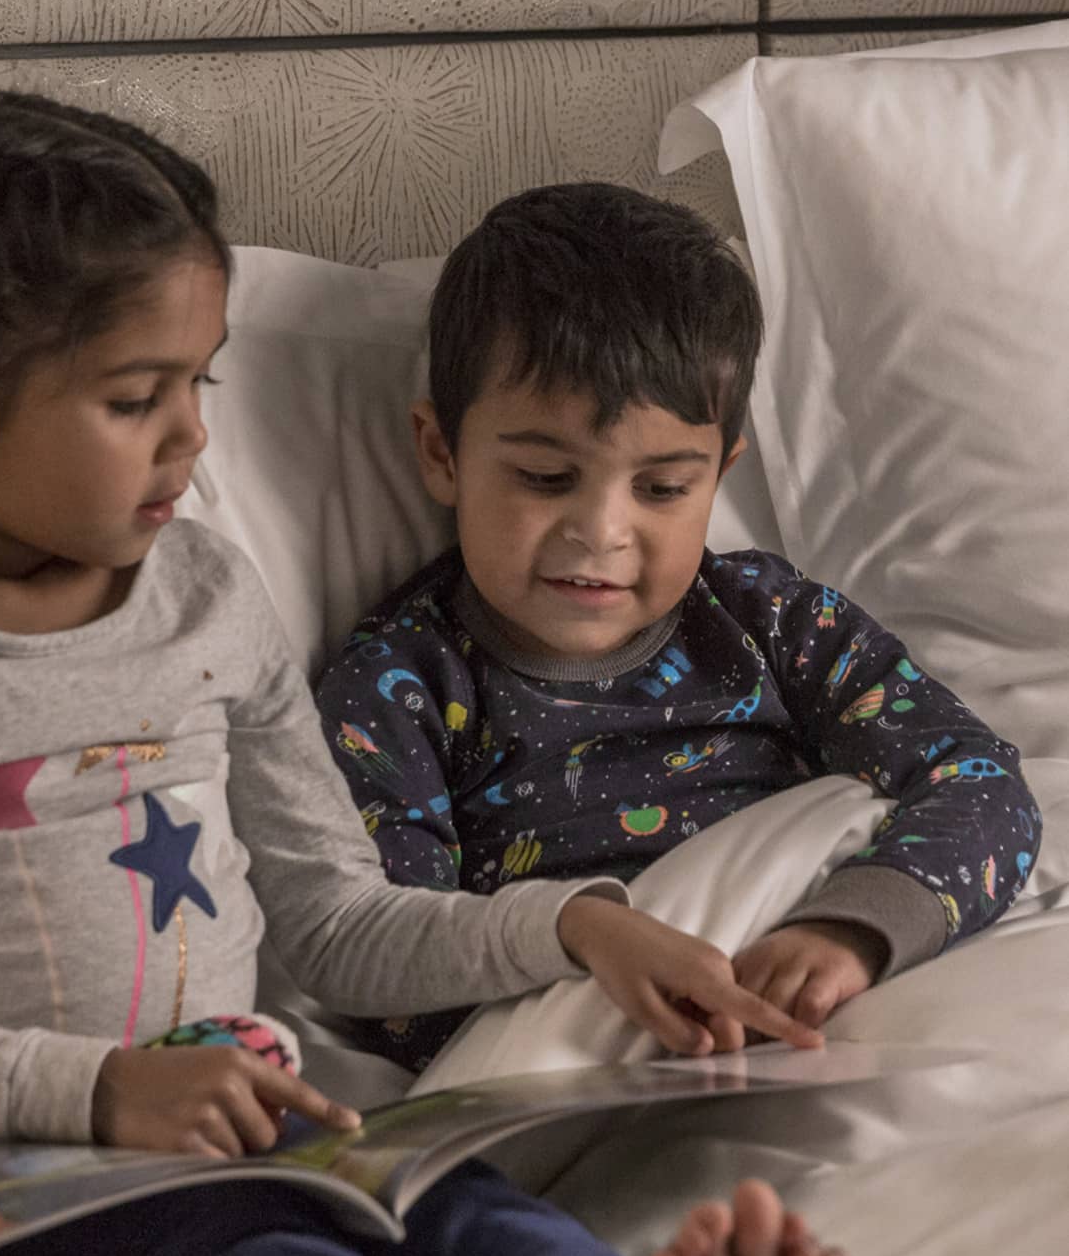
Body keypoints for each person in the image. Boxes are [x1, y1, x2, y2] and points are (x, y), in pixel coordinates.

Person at [0, 99, 868, 1256]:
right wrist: (102, 1093)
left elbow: (334, 921)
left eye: (199, 384)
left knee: (456, 1212)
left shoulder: (207, 594)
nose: (192, 439)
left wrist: (571, 926)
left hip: (237, 1101)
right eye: (135, 399)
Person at [315, 183, 1042, 1077]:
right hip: (589, 1046)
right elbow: (383, 960)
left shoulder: (774, 622)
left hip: (809, 1007)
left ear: (717, 476)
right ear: (442, 454)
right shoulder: (399, 688)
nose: (602, 532)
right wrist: (597, 962)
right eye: (545, 477)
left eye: (661, 489)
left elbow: (982, 784)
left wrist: (851, 932)